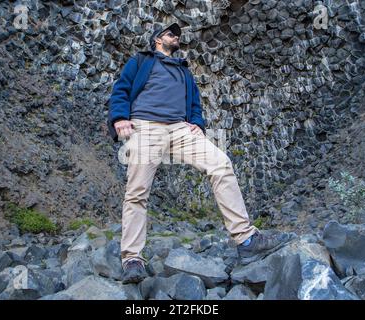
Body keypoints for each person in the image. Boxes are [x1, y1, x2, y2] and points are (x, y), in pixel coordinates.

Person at [108, 23, 292, 284]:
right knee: (137, 192)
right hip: (145, 126)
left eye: (178, 34)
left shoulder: (183, 70)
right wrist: (119, 117)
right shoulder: (141, 61)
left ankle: (246, 240)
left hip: (181, 129)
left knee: (221, 164)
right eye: (171, 34)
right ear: (157, 39)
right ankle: (133, 259)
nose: (177, 37)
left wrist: (198, 123)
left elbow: (194, 102)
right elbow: (121, 89)